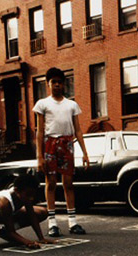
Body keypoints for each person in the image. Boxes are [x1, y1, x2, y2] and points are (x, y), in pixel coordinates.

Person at [33, 67, 90, 237]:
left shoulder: (71, 104)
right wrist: (39, 156)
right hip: (50, 144)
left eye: (59, 82)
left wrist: (85, 153)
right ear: (48, 84)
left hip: (67, 144)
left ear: (63, 84)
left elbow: (78, 130)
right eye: (53, 82)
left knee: (68, 183)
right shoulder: (42, 104)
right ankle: (53, 223)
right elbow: (40, 131)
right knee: (51, 183)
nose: (57, 85)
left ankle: (72, 221)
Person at [0, 174, 53, 249]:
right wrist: (27, 242)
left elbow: (32, 216)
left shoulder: (25, 195)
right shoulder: (4, 201)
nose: (31, 198)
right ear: (16, 190)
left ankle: (4, 232)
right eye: (28, 195)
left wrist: (41, 238)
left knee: (42, 212)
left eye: (32, 195)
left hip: (11, 215)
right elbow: (11, 231)